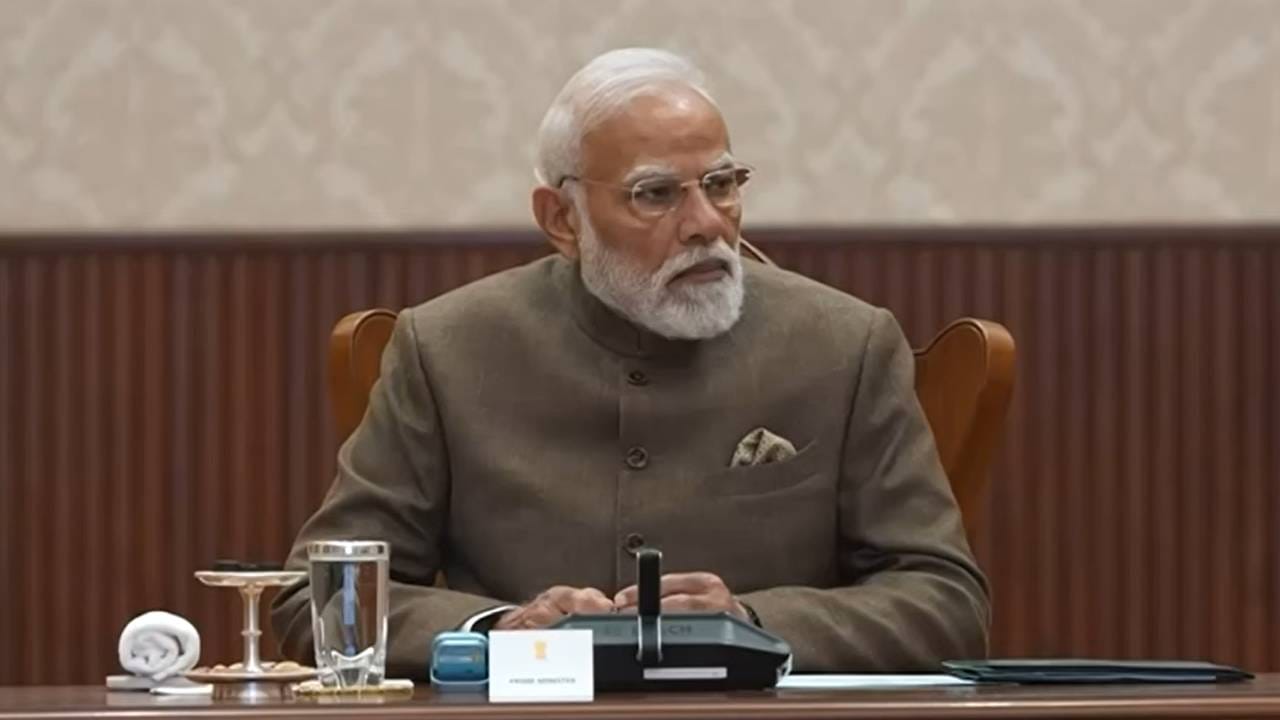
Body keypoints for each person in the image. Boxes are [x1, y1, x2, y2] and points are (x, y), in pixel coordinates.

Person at [271, 48, 989, 677]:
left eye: (722, 183)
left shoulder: (845, 345)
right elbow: (319, 594)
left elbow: (945, 600)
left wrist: (752, 623)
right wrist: (499, 630)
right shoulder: (447, 348)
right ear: (562, 220)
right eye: (656, 194)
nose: (706, 224)